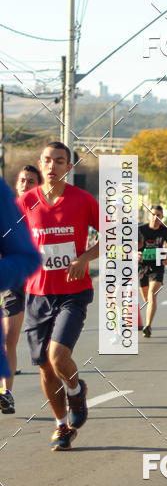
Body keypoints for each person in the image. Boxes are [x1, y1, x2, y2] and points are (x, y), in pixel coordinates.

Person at [18, 142, 99, 450]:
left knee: (57, 357)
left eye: (60, 161)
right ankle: (61, 426)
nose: (52, 166)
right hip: (37, 293)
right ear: (40, 163)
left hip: (73, 293)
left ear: (68, 167)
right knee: (45, 367)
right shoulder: (26, 202)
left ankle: (76, 391)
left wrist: (84, 258)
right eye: (48, 160)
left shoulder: (82, 200)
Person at [1, 165, 43, 413]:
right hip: (15, 280)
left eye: (31, 181)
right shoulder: (6, 211)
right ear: (16, 185)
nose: (25, 185)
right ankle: (7, 393)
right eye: (22, 181)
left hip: (42, 280)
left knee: (44, 345)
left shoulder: (43, 211)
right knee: (9, 338)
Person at [138, 205, 167, 337]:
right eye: (153, 214)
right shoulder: (140, 230)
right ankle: (149, 315)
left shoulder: (165, 231)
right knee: (146, 298)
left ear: (162, 217)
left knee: (152, 294)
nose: (156, 217)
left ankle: (147, 325)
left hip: (157, 266)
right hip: (142, 266)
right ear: (149, 215)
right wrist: (134, 254)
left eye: (158, 215)